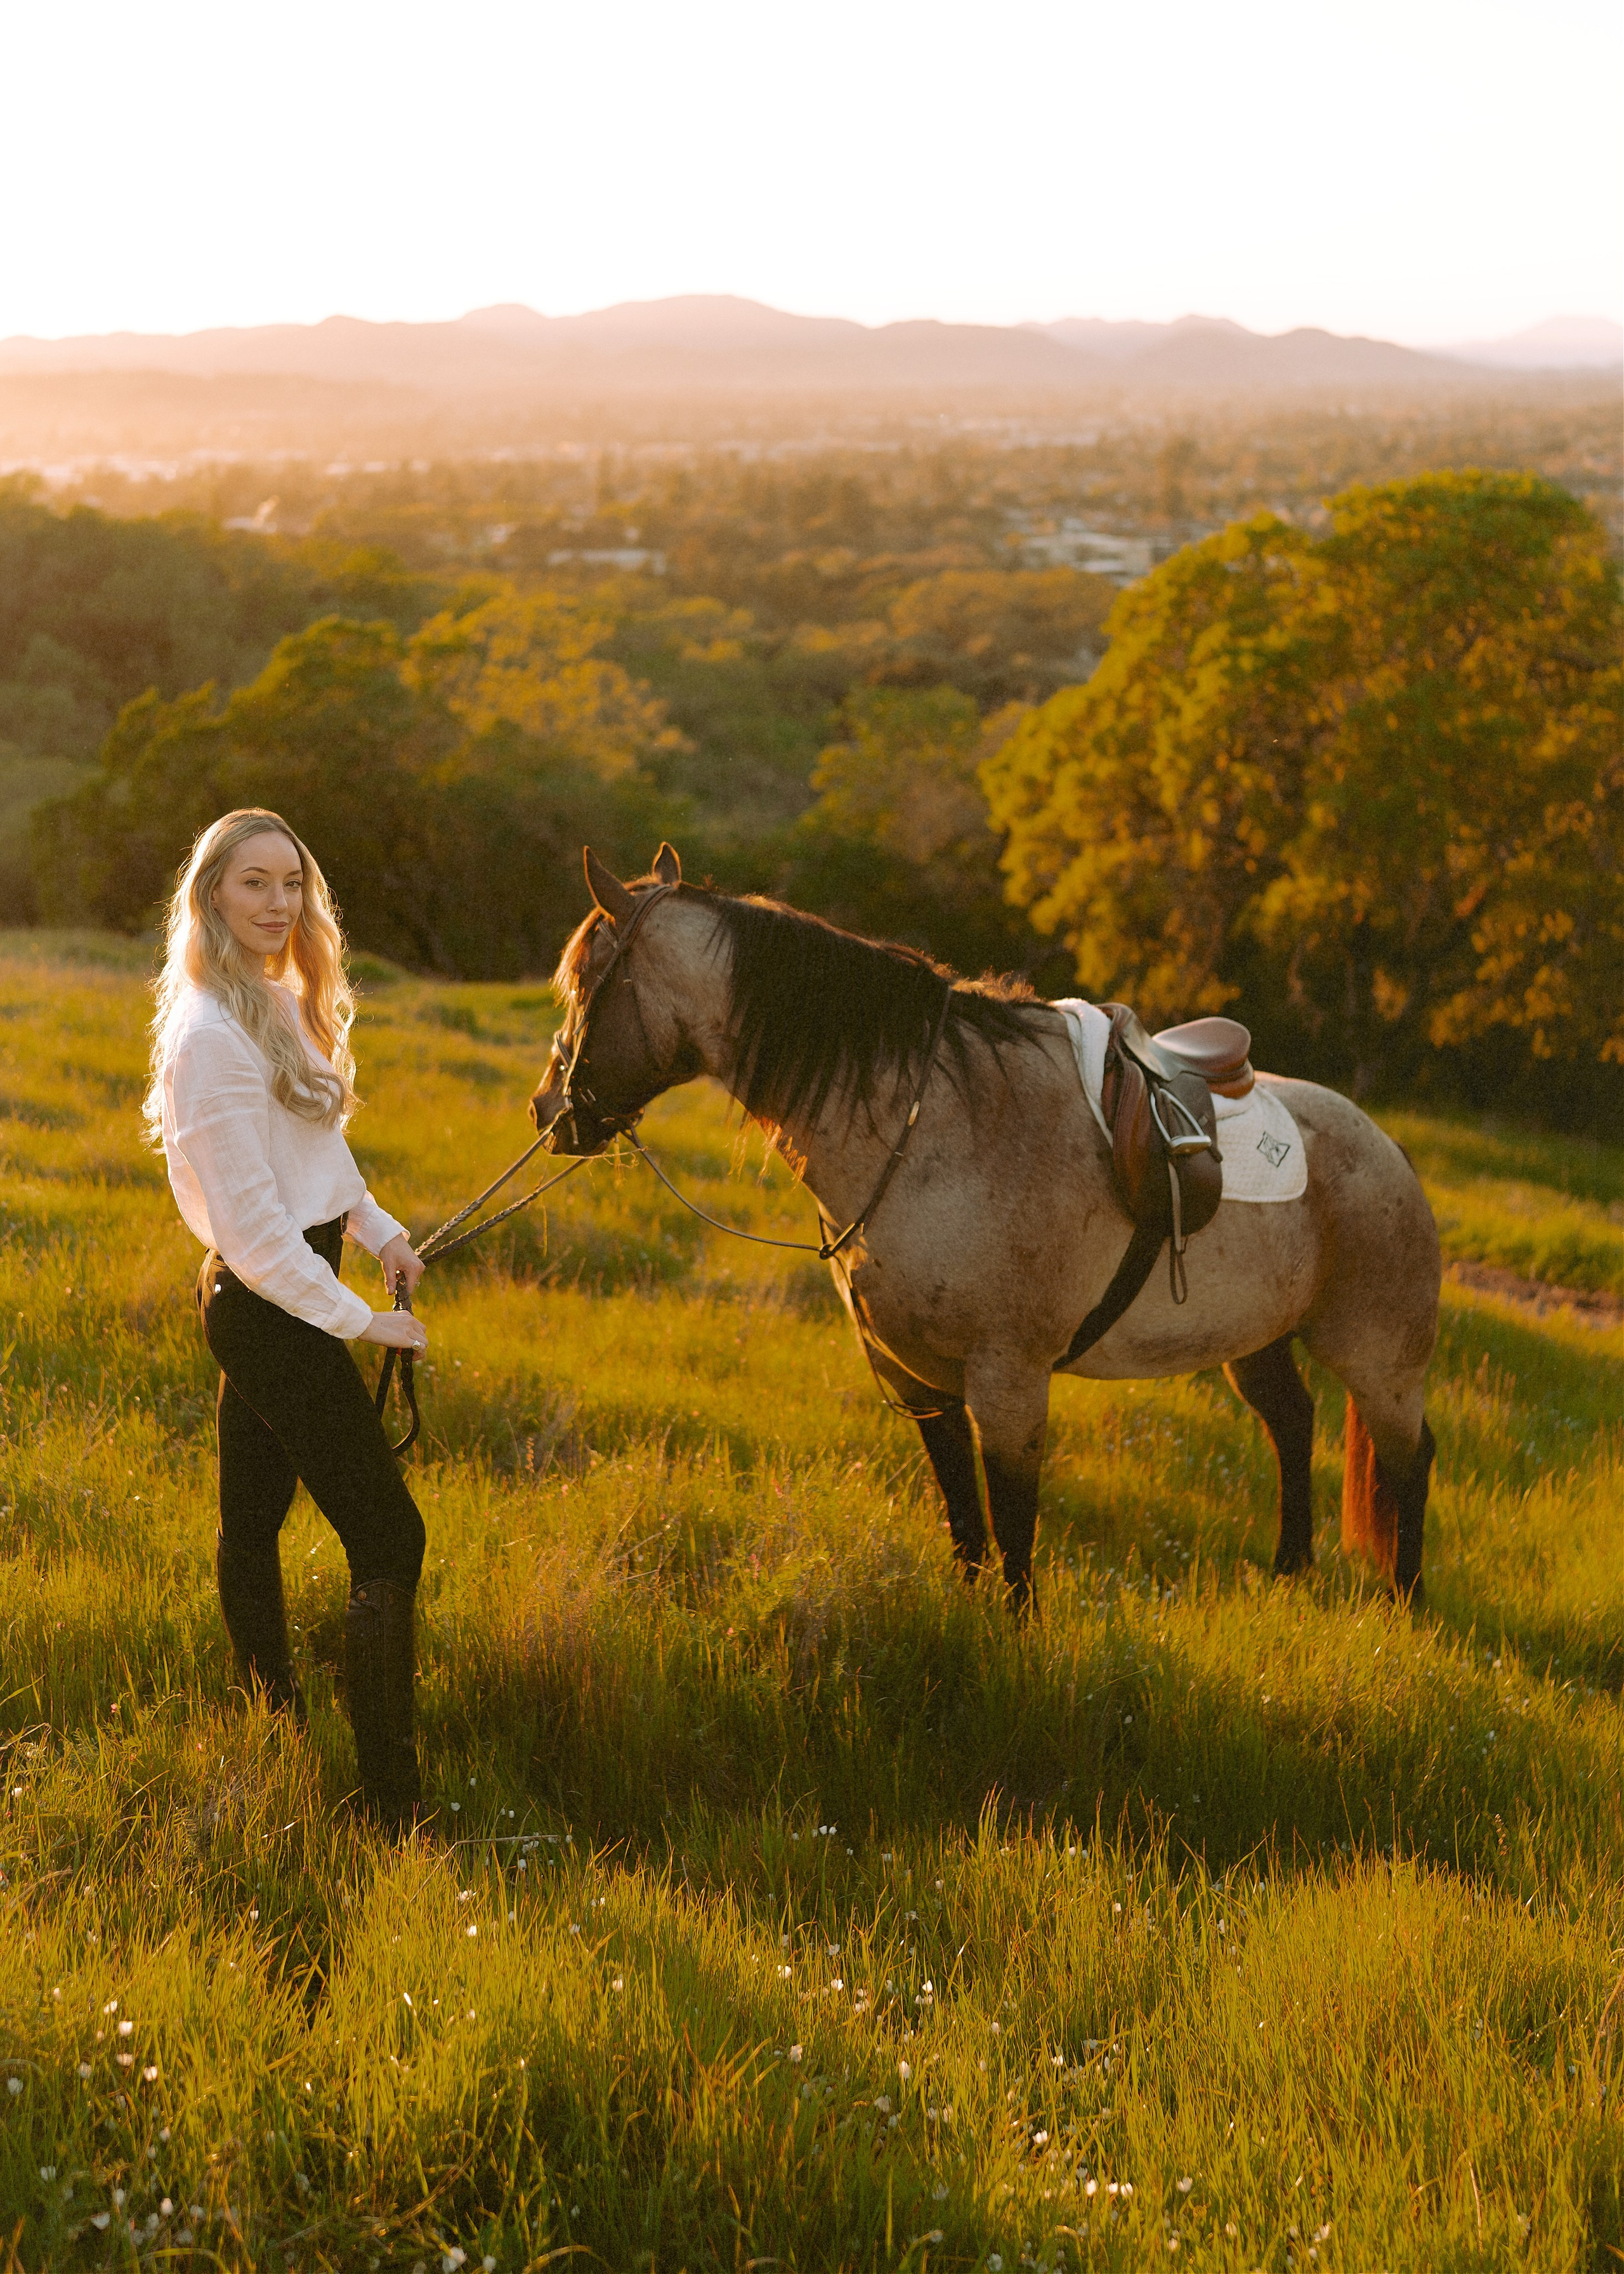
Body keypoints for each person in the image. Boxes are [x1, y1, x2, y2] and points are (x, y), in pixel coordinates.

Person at [146, 806, 430, 1827]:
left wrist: (383, 1231)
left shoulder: (277, 1000)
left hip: (291, 1285)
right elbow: (258, 1230)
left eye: (291, 883)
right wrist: (362, 1321)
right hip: (269, 1303)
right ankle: (392, 1804)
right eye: (253, 883)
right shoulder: (210, 1034)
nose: (277, 904)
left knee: (253, 1519)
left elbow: (319, 1158)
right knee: (392, 1536)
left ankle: (273, 1716)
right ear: (212, 893)